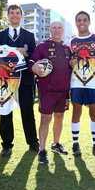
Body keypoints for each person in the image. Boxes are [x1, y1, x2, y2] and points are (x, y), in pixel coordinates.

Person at [0, 4, 38, 156]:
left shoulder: (29, 35)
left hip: (25, 80)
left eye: (17, 13)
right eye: (11, 13)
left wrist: (24, 53)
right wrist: (13, 52)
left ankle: (33, 142)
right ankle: (6, 144)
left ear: (21, 16)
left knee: (27, 112)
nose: (14, 15)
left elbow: (34, 57)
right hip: (5, 80)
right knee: (5, 112)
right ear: (7, 16)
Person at [30, 21, 72, 164]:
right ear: (49, 30)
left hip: (63, 91)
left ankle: (56, 144)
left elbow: (71, 67)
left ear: (63, 30)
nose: (57, 30)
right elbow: (31, 62)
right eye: (54, 27)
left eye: (59, 27)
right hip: (47, 91)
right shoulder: (42, 46)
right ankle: (42, 149)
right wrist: (34, 67)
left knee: (59, 117)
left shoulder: (67, 48)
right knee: (45, 119)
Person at [67, 11, 95, 159]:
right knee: (76, 112)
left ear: (89, 21)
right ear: (76, 22)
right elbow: (69, 62)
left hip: (93, 83)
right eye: (79, 20)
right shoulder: (71, 41)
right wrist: (71, 62)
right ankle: (75, 144)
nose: (81, 22)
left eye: (84, 20)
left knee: (94, 113)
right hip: (76, 81)